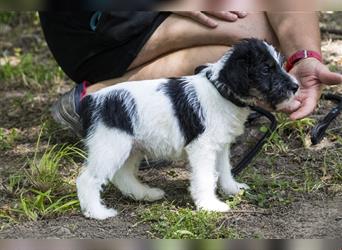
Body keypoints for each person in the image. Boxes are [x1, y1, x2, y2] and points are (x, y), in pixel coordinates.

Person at [39, 11, 342, 137]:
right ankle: (101, 100)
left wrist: (303, 56)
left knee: (266, 45)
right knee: (256, 40)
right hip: (96, 21)